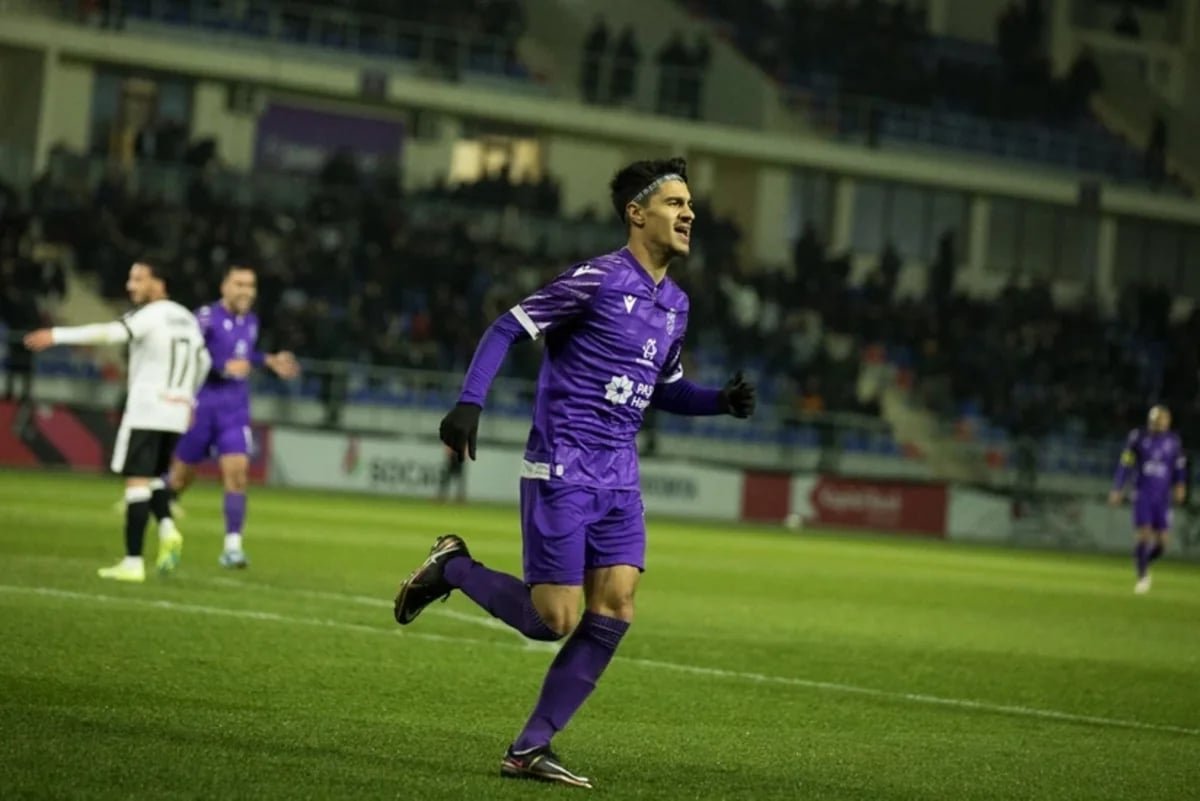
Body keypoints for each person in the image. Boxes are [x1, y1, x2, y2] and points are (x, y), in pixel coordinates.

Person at [392, 157, 756, 788]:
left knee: (617, 606)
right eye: (675, 203)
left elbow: (663, 389)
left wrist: (717, 402)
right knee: (553, 621)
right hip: (564, 464)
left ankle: (529, 748)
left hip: (621, 475)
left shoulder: (676, 304)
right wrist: (470, 402)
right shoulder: (595, 279)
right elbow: (506, 328)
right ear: (636, 214)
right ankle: (451, 566)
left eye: (690, 205)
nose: (689, 214)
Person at [24, 260, 208, 583]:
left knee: (136, 483)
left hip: (148, 408)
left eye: (138, 279)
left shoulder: (150, 314)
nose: (130, 285)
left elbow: (111, 333)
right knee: (152, 477)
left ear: (159, 283)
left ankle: (133, 562)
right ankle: (167, 528)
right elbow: (204, 361)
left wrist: (57, 334)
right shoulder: (187, 318)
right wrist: (189, 398)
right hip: (176, 411)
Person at [161, 264, 299, 569]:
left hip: (234, 411)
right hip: (201, 407)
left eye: (250, 285)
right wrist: (218, 367)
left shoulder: (251, 321)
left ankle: (232, 548)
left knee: (237, 475)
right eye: (239, 284)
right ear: (224, 286)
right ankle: (158, 500)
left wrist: (269, 360)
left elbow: (244, 356)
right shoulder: (205, 318)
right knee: (180, 478)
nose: (246, 291)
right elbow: (186, 354)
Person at [1109, 405, 1186, 594]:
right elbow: (1125, 464)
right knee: (1144, 534)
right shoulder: (1137, 438)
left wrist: (1180, 486)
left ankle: (1142, 560)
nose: (1159, 423)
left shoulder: (1173, 441)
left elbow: (1179, 467)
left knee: (1162, 544)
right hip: (1142, 493)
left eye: (1163, 419)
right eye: (1156, 419)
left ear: (1168, 422)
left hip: (1163, 497)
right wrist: (1118, 488)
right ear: (1150, 420)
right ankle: (1142, 576)